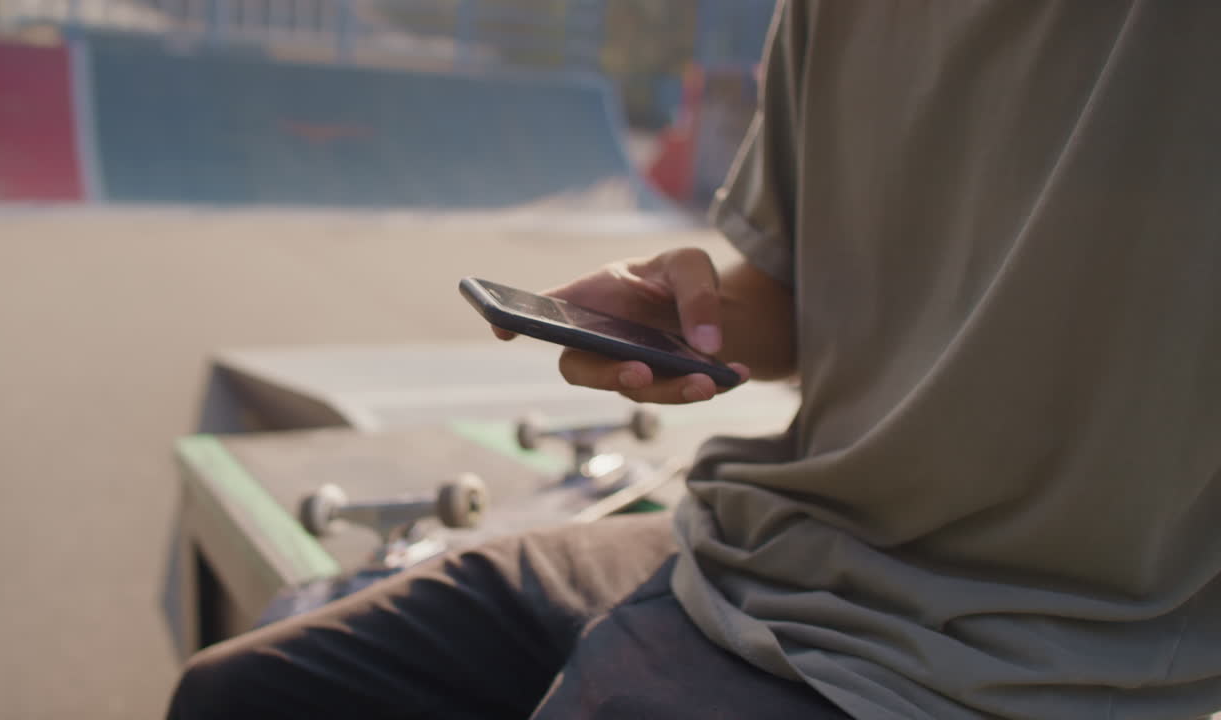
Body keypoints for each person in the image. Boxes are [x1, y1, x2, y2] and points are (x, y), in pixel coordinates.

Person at [167, 1, 1221, 718]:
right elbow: (796, 302)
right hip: (765, 548)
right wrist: (690, 320)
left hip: (1026, 651)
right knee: (246, 694)